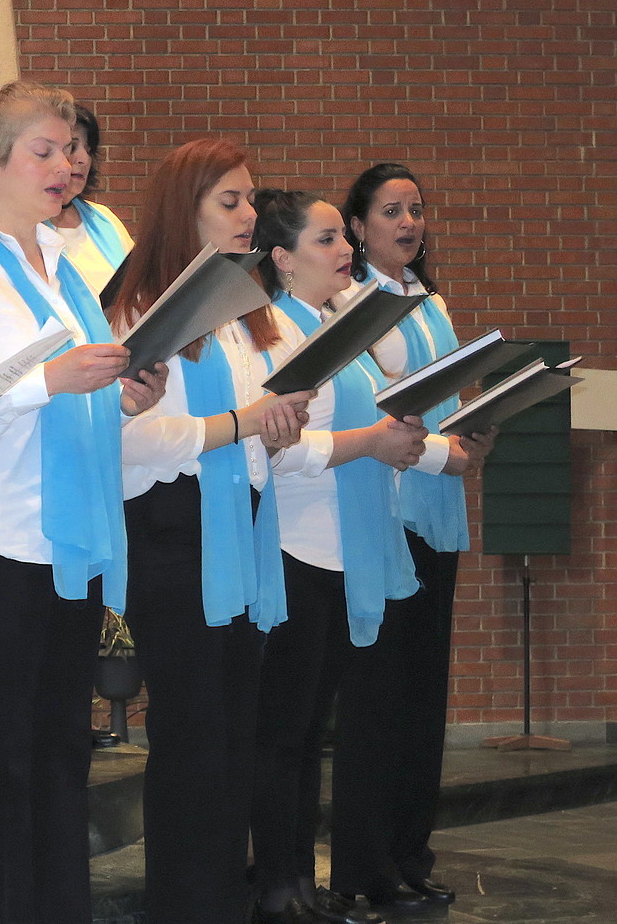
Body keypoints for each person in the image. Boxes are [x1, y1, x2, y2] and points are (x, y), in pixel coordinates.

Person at [0, 81, 165, 924]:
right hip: (0, 534)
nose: (66, 164)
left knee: (61, 755)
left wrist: (122, 394)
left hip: (70, 532)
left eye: (72, 149)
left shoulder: (63, 265)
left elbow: (75, 391)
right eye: (44, 150)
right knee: (3, 756)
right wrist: (50, 379)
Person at [102, 139, 313, 924]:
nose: (249, 214)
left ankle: (221, 901)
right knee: (193, 740)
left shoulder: (244, 309)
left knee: (232, 740)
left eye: (251, 199)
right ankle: (183, 906)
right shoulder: (140, 306)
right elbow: (130, 440)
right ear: (182, 209)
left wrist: (276, 427)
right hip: (172, 532)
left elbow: (254, 426)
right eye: (230, 200)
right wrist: (241, 424)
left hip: (239, 526)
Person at [249, 188, 429, 924]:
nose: (345, 250)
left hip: (337, 551)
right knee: (282, 733)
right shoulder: (273, 336)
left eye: (341, 238)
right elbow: (281, 451)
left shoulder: (334, 328)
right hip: (292, 549)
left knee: (306, 733)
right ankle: (276, 883)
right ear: (283, 259)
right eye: (326, 240)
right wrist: (374, 443)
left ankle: (301, 880)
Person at [329, 164, 496, 914]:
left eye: (417, 210)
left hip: (436, 512)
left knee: (423, 696)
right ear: (358, 226)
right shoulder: (349, 303)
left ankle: (409, 855)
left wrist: (475, 434)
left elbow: (446, 401)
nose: (408, 222)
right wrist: (444, 452)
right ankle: (365, 868)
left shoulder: (430, 300)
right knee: (378, 697)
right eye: (391, 210)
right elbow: (379, 407)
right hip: (385, 511)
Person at [48, 103, 135, 298]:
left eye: (88, 150)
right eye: (72, 147)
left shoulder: (104, 219)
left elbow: (137, 284)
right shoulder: (25, 226)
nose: (84, 159)